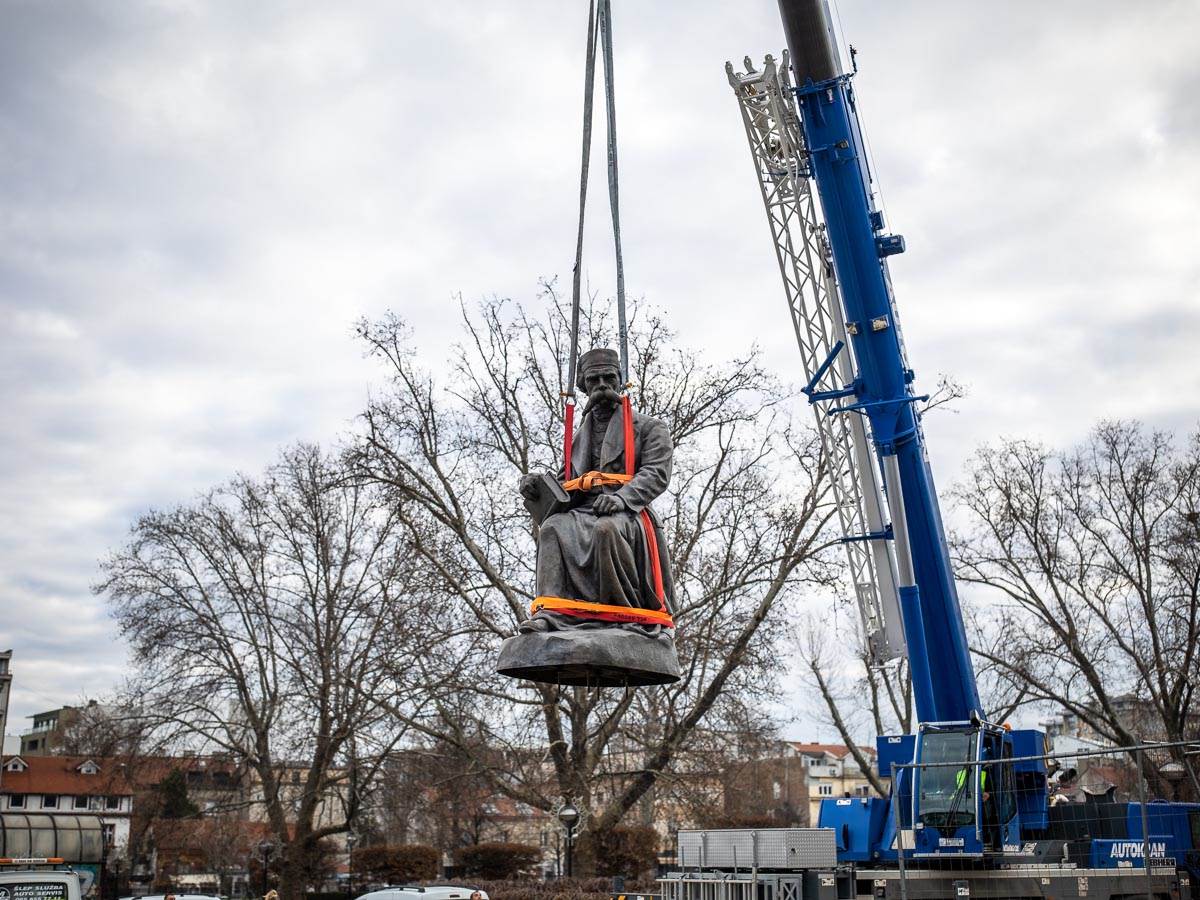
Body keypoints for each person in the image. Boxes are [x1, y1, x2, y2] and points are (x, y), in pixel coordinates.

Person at [518, 347, 675, 633]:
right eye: (594, 381)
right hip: (582, 511)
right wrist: (535, 485)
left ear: (619, 381)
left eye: (608, 379)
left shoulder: (651, 428)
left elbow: (657, 473)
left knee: (606, 530)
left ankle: (624, 615)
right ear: (584, 387)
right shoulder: (578, 436)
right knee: (552, 527)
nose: (602, 386)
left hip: (628, 513)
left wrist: (620, 499)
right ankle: (553, 613)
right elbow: (567, 479)